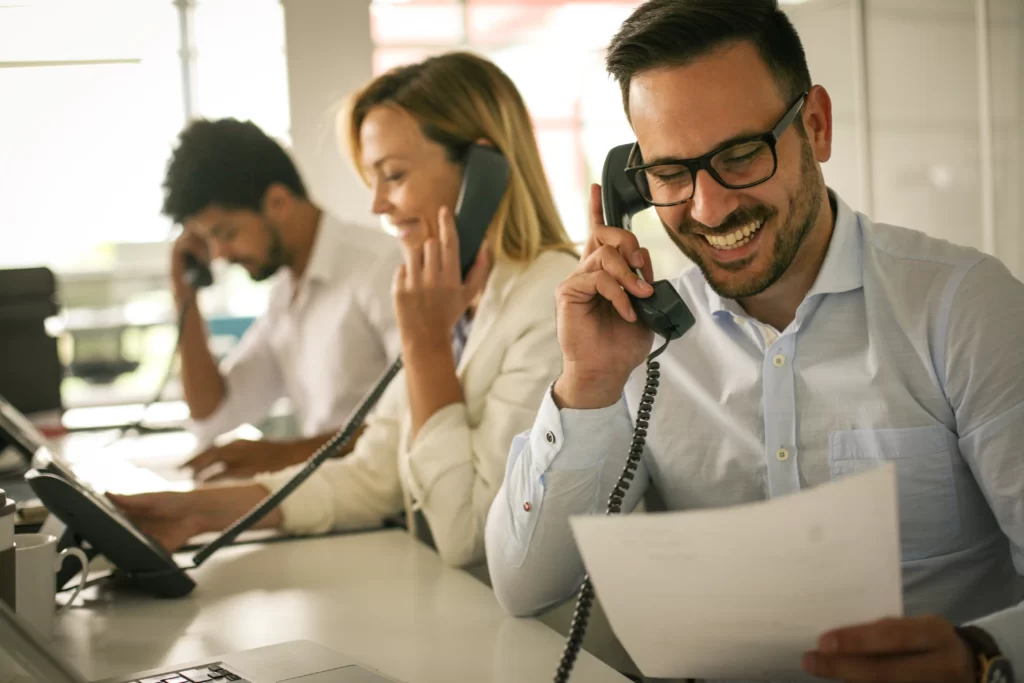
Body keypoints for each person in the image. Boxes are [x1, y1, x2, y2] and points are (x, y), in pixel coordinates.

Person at [484, 1, 1024, 681]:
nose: (710, 208)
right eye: (672, 174)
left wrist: (981, 653)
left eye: (741, 154)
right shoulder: (640, 338)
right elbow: (523, 583)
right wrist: (587, 383)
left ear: (816, 127)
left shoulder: (965, 307)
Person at [111, 52, 578, 569]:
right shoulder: (448, 294)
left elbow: (465, 534)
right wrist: (195, 510)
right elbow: (373, 474)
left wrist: (424, 348)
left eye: (393, 175)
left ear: (482, 172)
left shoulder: (550, 300)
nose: (377, 204)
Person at [162, 118, 403, 480]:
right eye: (209, 241)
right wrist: (184, 293)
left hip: (390, 513)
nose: (220, 254)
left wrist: (285, 455)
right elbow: (213, 415)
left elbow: (417, 422)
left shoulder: (381, 268)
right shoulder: (286, 295)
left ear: (277, 202)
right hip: (331, 505)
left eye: (226, 233)